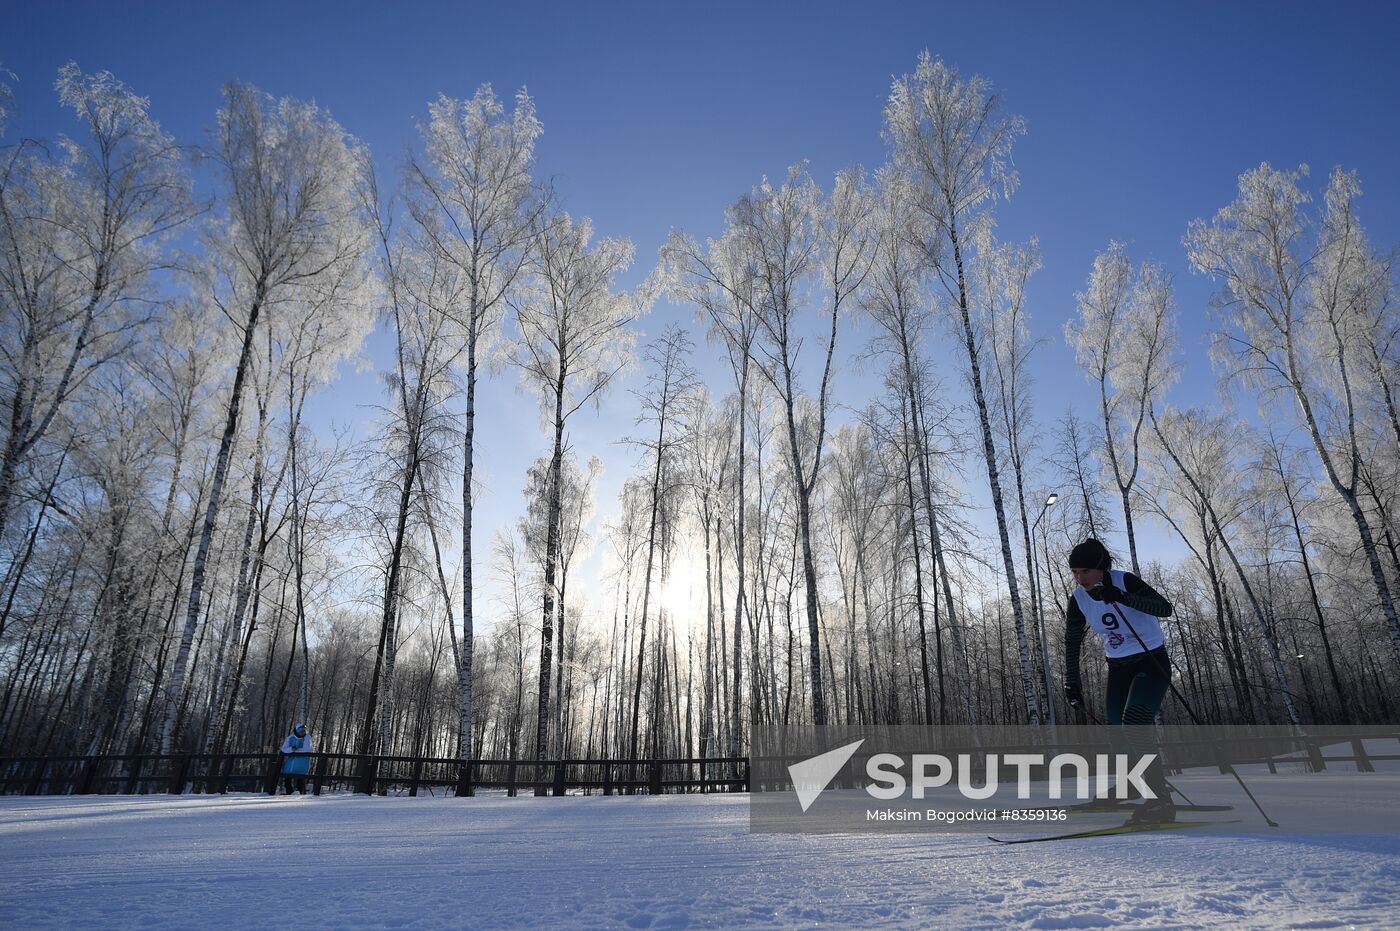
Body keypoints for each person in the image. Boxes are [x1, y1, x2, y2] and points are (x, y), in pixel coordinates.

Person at [1061, 538, 1176, 823]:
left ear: (1101, 568)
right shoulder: (1079, 599)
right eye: (1075, 572)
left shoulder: (1125, 581)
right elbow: (1072, 640)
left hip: (1151, 659)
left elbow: (1164, 608)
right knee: (1116, 727)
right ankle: (1131, 783)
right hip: (1118, 666)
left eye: (1086, 571)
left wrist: (1123, 597)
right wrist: (1072, 681)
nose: (1080, 578)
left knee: (1135, 721)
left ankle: (1160, 800)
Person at [280, 723, 312, 795]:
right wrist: (291, 749)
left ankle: (299, 792)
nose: (302, 732)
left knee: (300, 777)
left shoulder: (307, 738)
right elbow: (284, 749)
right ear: (297, 731)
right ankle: (289, 792)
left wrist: (295, 750)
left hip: (302, 762)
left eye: (304, 730)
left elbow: (307, 749)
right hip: (291, 762)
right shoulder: (290, 738)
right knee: (287, 776)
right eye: (301, 731)